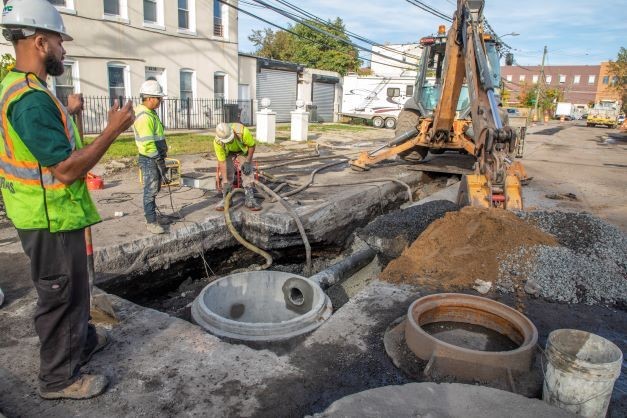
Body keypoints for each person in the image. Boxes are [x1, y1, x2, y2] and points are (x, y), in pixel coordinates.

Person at [0, 0, 135, 400]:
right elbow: (66, 170)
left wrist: (73, 115)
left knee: (75, 289)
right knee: (59, 295)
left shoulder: (24, 88)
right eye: (60, 42)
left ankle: (83, 342)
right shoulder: (30, 99)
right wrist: (112, 130)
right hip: (48, 217)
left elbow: (55, 151)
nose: (65, 50)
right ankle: (58, 379)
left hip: (54, 212)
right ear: (40, 42)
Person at [132, 79, 169, 234]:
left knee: (155, 187)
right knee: (151, 189)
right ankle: (151, 221)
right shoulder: (144, 117)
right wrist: (158, 160)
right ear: (150, 98)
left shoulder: (150, 113)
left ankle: (153, 215)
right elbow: (148, 144)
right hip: (149, 158)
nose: (160, 101)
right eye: (159, 98)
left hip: (154, 156)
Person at [213, 122, 261, 211]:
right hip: (228, 152)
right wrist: (225, 181)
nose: (229, 141)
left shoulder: (242, 131)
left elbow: (251, 145)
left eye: (230, 139)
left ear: (232, 132)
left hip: (242, 150)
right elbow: (222, 162)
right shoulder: (218, 142)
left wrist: (247, 161)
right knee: (226, 172)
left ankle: (250, 199)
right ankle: (227, 199)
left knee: (247, 170)